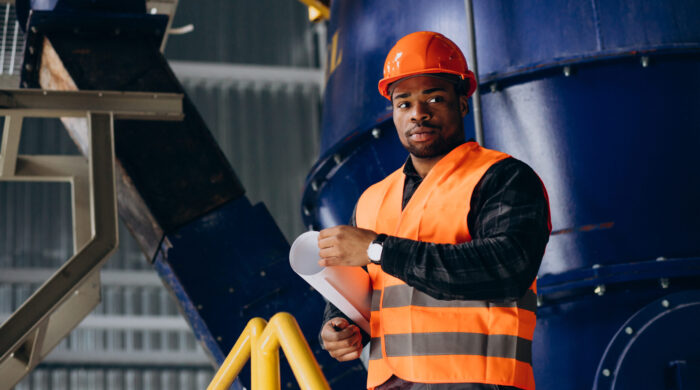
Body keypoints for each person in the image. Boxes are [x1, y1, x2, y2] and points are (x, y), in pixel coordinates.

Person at [317, 31, 550, 390]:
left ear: (462, 103)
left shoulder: (503, 178)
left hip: (478, 383)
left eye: (434, 99)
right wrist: (340, 327)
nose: (418, 114)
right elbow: (362, 289)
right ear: (392, 113)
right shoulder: (372, 200)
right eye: (404, 103)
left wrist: (378, 248)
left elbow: (506, 267)